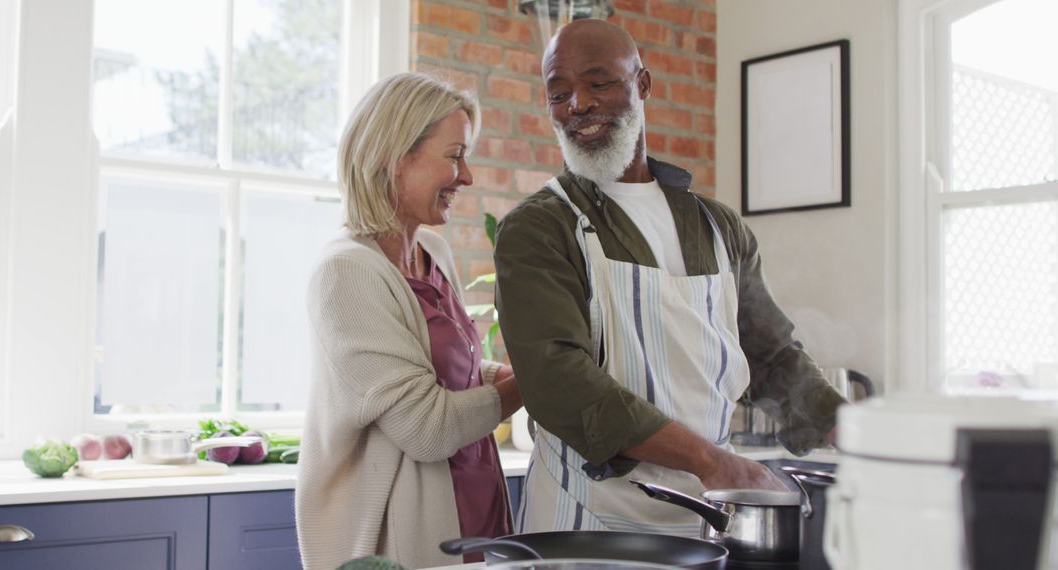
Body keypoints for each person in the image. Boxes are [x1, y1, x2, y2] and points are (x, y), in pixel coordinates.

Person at [493, 20, 847, 534]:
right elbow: (558, 381)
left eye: (599, 82)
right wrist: (713, 461)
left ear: (643, 85)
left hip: (706, 517)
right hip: (587, 524)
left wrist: (851, 430)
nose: (579, 104)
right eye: (559, 93)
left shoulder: (717, 227)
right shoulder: (540, 228)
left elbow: (772, 356)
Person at [296, 72, 523, 570]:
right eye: (454, 155)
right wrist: (533, 382)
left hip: (478, 519)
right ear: (394, 155)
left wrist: (494, 376)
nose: (467, 176)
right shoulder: (346, 272)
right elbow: (427, 427)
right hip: (403, 539)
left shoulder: (432, 253)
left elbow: (441, 367)